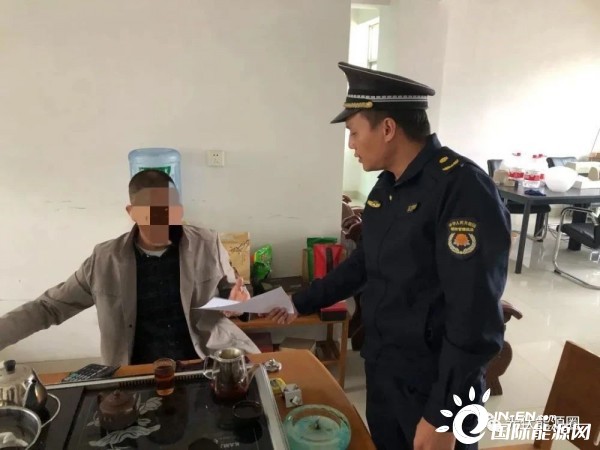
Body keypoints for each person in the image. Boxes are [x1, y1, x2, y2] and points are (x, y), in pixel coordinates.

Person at [267, 62, 511, 450]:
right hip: (385, 369)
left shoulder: (462, 190)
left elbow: (474, 315)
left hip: (435, 385)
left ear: (387, 128)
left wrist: (445, 415)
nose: (351, 144)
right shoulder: (386, 189)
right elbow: (364, 264)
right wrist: (299, 302)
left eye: (354, 132)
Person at [0, 169, 259, 365]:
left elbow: (232, 292)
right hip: (137, 371)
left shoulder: (207, 243)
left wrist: (238, 303)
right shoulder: (104, 260)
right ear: (132, 212)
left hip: (206, 360)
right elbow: (49, 307)